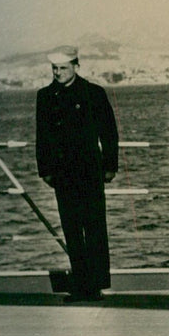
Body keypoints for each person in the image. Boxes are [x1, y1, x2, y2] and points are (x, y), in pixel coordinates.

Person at [35, 46, 118, 302]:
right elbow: (42, 136)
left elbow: (109, 132)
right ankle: (80, 285)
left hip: (90, 171)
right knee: (72, 229)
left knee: (94, 227)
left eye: (63, 68)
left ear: (76, 67)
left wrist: (110, 166)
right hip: (63, 174)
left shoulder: (93, 93)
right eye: (55, 69)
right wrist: (45, 170)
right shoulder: (46, 96)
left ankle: (96, 284)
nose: (58, 73)